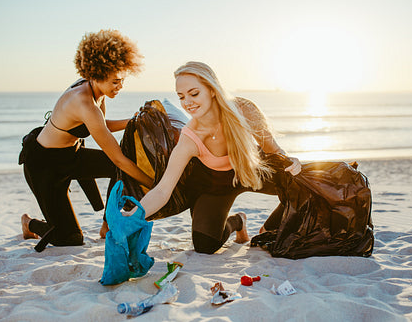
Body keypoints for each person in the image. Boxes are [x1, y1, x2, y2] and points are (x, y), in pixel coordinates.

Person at [124, 61, 301, 254]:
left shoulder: (243, 110)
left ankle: (267, 229)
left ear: (212, 90)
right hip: (214, 186)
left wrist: (291, 161)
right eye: (181, 97)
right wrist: (134, 216)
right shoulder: (189, 137)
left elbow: (274, 152)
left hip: (250, 170)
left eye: (194, 93)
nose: (187, 103)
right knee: (205, 246)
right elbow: (162, 190)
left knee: (301, 183)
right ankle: (238, 221)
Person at [20, 29, 152, 247]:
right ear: (97, 74)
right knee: (70, 239)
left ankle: (108, 224)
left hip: (71, 156)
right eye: (115, 82)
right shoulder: (83, 102)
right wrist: (152, 184)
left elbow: (99, 126)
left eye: (122, 81)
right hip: (44, 166)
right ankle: (30, 224)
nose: (120, 87)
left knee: (117, 169)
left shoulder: (97, 93)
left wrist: (133, 120)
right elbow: (118, 157)